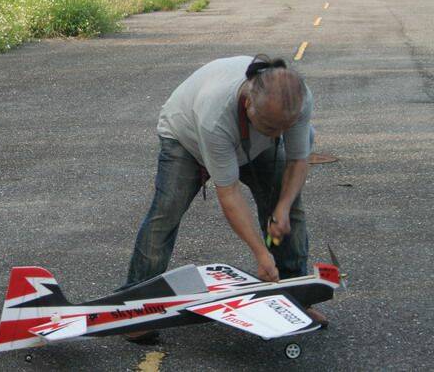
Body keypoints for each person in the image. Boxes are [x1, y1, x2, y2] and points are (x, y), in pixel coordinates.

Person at [122, 54, 326, 342]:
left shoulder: (296, 100)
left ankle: (295, 297)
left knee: (291, 211)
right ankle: (136, 309)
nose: (280, 135)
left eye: (285, 128)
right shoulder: (215, 114)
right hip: (187, 139)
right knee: (165, 215)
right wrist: (261, 253)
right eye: (271, 128)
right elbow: (229, 194)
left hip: (248, 142)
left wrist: (282, 206)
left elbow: (297, 160)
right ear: (248, 105)